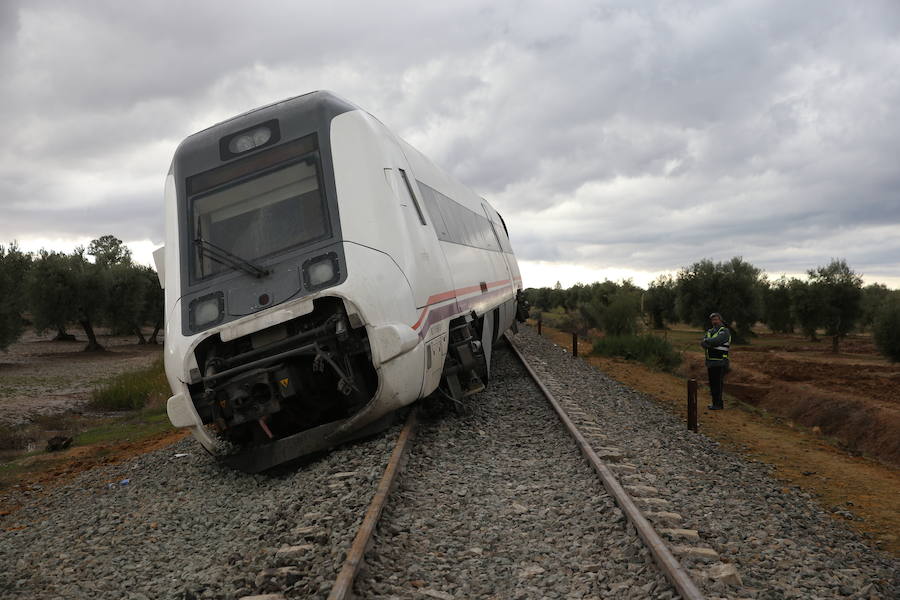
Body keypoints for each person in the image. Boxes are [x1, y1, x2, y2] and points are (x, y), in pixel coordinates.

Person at [700, 312, 731, 410]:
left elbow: (717, 341)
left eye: (716, 319)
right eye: (713, 320)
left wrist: (708, 342)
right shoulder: (710, 331)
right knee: (713, 384)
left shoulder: (724, 331)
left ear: (720, 320)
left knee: (717, 385)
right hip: (710, 362)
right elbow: (702, 343)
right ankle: (715, 403)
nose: (714, 321)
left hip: (720, 362)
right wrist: (709, 342)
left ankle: (718, 404)